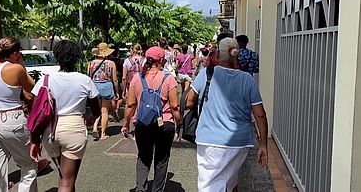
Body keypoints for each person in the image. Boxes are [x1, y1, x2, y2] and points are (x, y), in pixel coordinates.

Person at [186, 38, 268, 192]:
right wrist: (263, 145)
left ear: (218, 55)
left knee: (209, 186)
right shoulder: (247, 79)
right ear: (236, 55)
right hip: (239, 142)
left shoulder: (206, 75)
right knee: (228, 183)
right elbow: (260, 115)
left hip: (209, 140)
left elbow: (189, 101)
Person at [30, 40, 101, 191]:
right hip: (74, 128)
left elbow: (35, 112)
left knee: (65, 177)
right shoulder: (85, 80)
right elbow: (97, 110)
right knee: (66, 182)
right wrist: (91, 119)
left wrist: (34, 140)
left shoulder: (45, 79)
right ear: (77, 57)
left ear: (57, 56)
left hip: (50, 131)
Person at [121, 46, 181, 192]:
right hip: (164, 123)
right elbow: (175, 106)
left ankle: (140, 188)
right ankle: (157, 190)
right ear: (161, 60)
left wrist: (125, 124)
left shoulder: (137, 78)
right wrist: (178, 124)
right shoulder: (169, 79)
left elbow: (130, 104)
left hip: (142, 123)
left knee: (143, 157)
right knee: (161, 159)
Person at [0, 37, 38, 191]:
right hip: (12, 119)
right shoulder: (16, 68)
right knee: (28, 164)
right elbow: (32, 89)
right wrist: (20, 64)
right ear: (14, 53)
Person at [88, 42, 119, 140]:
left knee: (96, 110)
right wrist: (117, 91)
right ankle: (103, 134)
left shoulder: (91, 63)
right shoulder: (111, 63)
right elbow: (114, 79)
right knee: (104, 111)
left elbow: (89, 77)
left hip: (94, 86)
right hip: (106, 86)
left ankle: (95, 126)